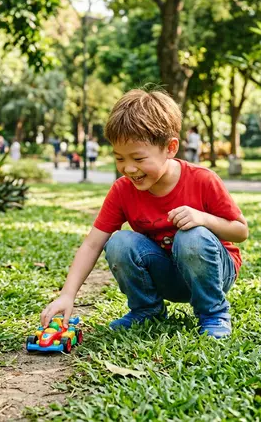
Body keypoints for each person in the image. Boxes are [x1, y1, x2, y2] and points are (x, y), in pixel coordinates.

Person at [40, 88, 248, 339]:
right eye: (119, 158)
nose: (128, 168)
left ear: (170, 148)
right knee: (118, 241)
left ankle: (213, 313)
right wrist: (67, 295)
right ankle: (147, 309)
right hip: (168, 274)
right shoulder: (123, 190)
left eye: (138, 158)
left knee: (190, 236)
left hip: (212, 272)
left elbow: (240, 231)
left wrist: (202, 219)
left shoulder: (202, 179)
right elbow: (93, 243)